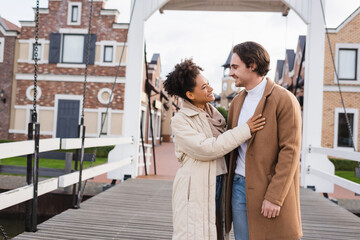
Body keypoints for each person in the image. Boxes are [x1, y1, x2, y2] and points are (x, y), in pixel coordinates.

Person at [163, 59, 265, 240]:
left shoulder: (214, 114)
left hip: (218, 181)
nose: (210, 89)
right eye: (204, 87)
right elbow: (208, 148)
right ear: (190, 95)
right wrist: (246, 130)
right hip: (195, 187)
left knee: (216, 231)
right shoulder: (180, 120)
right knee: (194, 233)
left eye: (208, 83)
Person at [224, 41, 303, 240]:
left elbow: (290, 151)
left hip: (269, 189)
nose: (230, 73)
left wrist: (274, 197)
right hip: (238, 187)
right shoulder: (236, 102)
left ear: (252, 65)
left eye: (235, 67)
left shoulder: (285, 99)